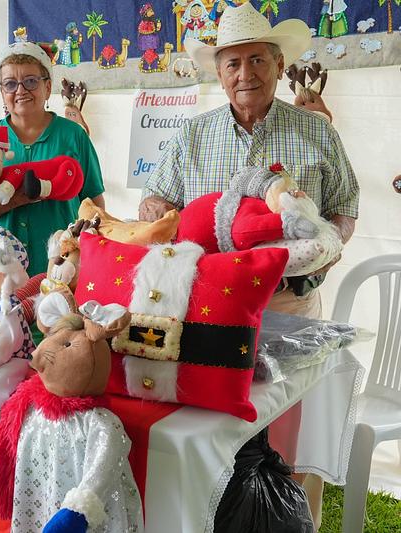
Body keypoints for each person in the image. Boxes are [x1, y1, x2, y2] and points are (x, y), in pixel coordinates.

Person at [138, 4, 358, 529]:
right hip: (209, 308)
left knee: (291, 440)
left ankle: (294, 522)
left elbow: (345, 207)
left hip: (291, 306)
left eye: (257, 60)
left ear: (279, 66)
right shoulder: (193, 136)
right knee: (212, 435)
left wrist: (327, 244)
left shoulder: (316, 132)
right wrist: (159, 216)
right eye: (232, 63)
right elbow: (154, 204)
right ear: (218, 72)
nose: (245, 74)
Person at [0, 41, 105, 276]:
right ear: (2, 92)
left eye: (31, 81)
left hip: (60, 269)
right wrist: (15, 200)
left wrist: (85, 251)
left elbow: (94, 204)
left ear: (47, 87)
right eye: (10, 84)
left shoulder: (73, 135)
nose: (20, 90)